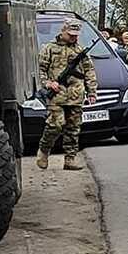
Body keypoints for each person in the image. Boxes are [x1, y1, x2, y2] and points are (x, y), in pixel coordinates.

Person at [33, 18, 98, 171]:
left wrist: (92, 92)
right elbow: (39, 70)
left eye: (76, 35)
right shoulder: (49, 48)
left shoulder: (80, 52)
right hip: (57, 95)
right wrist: (48, 83)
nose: (73, 37)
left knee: (73, 129)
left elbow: (89, 72)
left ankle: (70, 159)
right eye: (70, 34)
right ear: (63, 31)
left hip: (76, 95)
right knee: (55, 125)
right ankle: (44, 150)